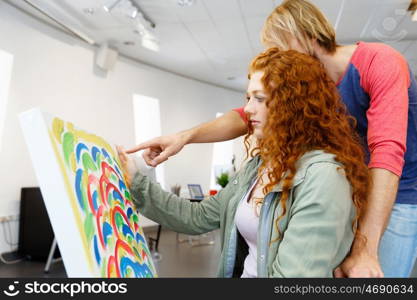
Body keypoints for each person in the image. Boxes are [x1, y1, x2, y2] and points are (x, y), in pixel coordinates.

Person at [127, 0, 417, 278]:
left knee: (370, 273)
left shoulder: (380, 63)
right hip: (353, 185)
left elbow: (388, 152)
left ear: (300, 35)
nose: (279, 57)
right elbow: (246, 115)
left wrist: (366, 248)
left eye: (279, 47)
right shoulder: (307, 93)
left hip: (398, 189)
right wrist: (185, 137)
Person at [119, 48, 369, 277]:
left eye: (259, 98)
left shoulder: (324, 176)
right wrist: (135, 181)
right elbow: (197, 216)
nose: (247, 109)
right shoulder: (260, 166)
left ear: (293, 104)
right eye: (248, 98)